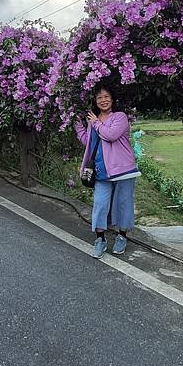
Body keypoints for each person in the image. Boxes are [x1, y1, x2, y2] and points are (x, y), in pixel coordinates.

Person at [75, 84, 141, 259]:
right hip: (101, 171)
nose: (103, 100)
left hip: (123, 169)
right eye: (99, 98)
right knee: (100, 204)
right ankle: (100, 239)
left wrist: (95, 123)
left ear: (112, 99)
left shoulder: (120, 117)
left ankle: (122, 236)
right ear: (95, 102)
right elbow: (88, 142)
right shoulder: (93, 120)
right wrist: (78, 125)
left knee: (123, 203)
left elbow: (110, 135)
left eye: (106, 97)